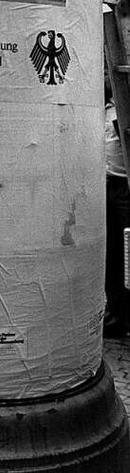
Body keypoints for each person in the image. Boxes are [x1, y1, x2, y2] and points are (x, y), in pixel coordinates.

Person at [104, 73, 130, 338]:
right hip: (108, 183)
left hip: (125, 186)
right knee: (111, 252)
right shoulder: (103, 108)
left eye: (105, 74)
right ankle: (116, 314)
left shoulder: (124, 106)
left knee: (127, 252)